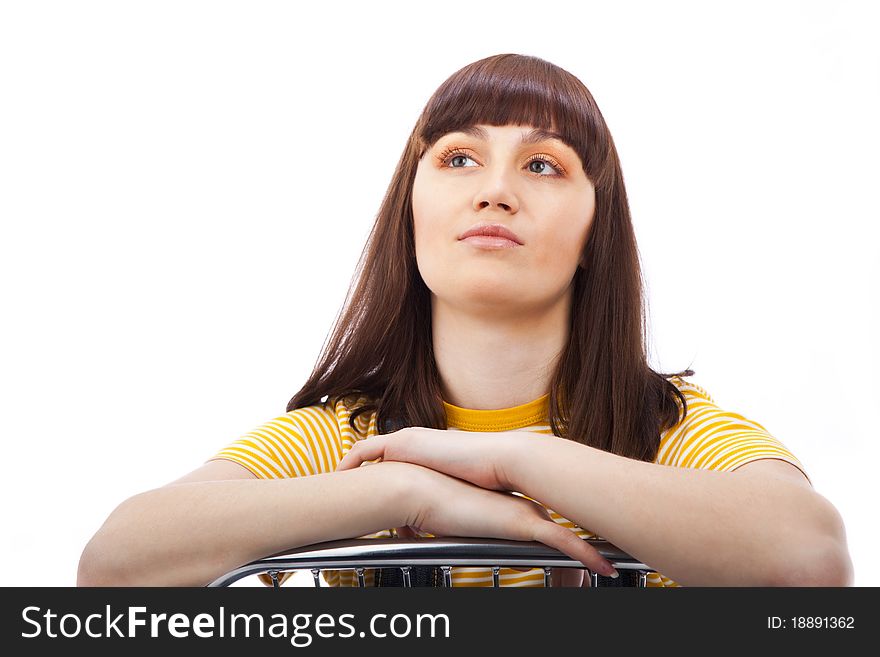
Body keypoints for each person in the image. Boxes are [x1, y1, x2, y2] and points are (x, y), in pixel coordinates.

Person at [77, 53, 853, 588]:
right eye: (458, 158)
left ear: (595, 233)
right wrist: (404, 496)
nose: (495, 191)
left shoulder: (669, 432)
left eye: (544, 165)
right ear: (410, 209)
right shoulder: (343, 439)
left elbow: (811, 559)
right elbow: (112, 564)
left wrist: (513, 459)